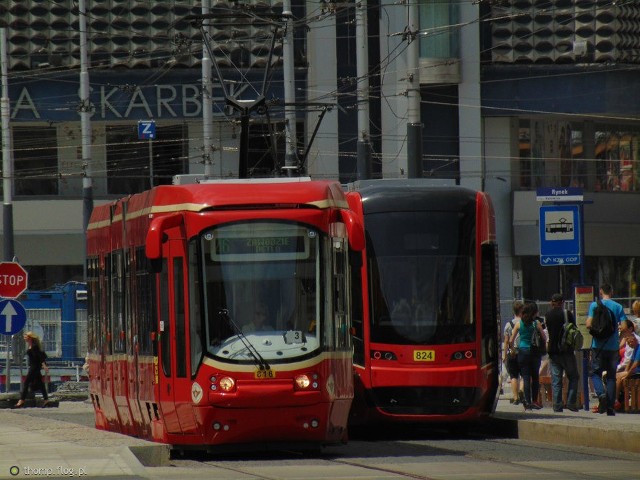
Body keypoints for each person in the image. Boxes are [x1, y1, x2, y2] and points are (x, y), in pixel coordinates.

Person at [586, 283, 626, 416]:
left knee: (595, 373)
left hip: (597, 346)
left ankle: (601, 394)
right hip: (613, 347)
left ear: (601, 291)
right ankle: (610, 407)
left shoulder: (594, 305)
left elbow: (588, 324)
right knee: (610, 377)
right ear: (612, 292)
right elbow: (625, 327)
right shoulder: (618, 306)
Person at [545, 293, 580, 412]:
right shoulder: (567, 314)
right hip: (566, 351)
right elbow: (574, 329)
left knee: (556, 380)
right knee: (573, 376)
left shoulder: (548, 315)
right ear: (562, 302)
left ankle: (557, 405)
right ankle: (570, 402)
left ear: (552, 302)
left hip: (553, 351)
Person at [510, 301, 546, 410]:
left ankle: (527, 402)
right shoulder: (536, 323)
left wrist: (513, 350)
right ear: (534, 312)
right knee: (535, 377)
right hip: (534, 353)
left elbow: (511, 340)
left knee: (525, 378)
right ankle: (535, 401)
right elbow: (544, 337)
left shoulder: (519, 324)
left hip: (522, 351)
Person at [15, 331, 50, 408]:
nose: (24, 338)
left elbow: (40, 357)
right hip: (34, 367)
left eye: (26, 337)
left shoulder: (34, 346)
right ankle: (46, 400)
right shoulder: (31, 346)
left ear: (30, 338)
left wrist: (44, 366)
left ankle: (21, 400)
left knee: (26, 383)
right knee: (41, 384)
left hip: (34, 367)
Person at [503, 300, 524, 404]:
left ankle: (515, 398)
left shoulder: (508, 324)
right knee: (524, 375)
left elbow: (506, 341)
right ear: (521, 310)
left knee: (513, 375)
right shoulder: (525, 323)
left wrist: (504, 355)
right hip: (523, 351)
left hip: (512, 352)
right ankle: (521, 390)